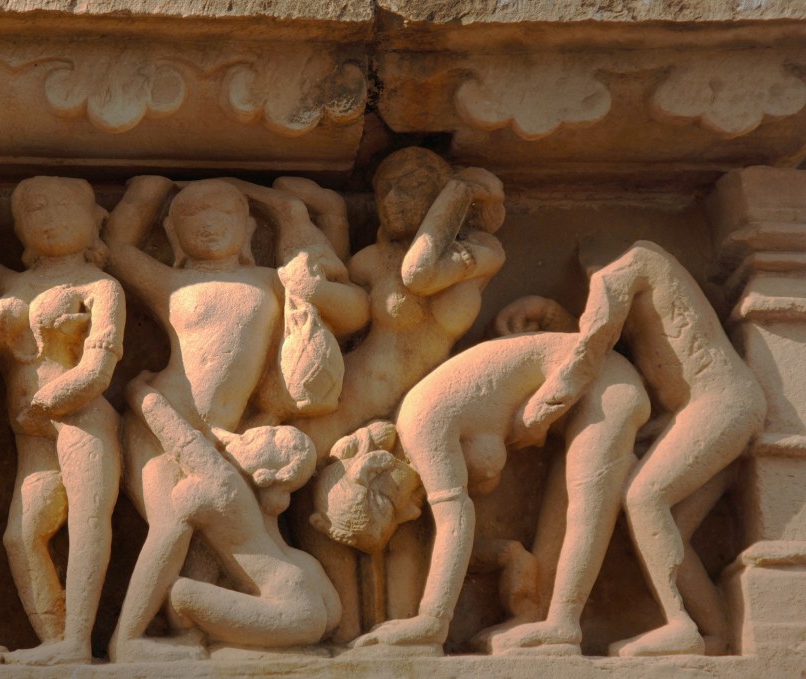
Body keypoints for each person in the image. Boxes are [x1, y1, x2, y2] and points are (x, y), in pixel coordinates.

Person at [103, 176, 365, 658]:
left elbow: (354, 311)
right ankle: (129, 639)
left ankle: (197, 631)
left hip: (232, 435)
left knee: (217, 539)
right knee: (172, 525)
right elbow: (117, 250)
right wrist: (146, 192)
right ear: (171, 230)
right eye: (191, 215)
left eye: (223, 212)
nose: (208, 223)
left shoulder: (271, 280)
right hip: (159, 422)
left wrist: (308, 279)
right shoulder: (173, 283)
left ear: (248, 228)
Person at [283, 147, 507, 640]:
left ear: (443, 192)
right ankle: (339, 634)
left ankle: (403, 635)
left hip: (426, 408)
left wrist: (458, 195)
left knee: (410, 516)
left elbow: (419, 274)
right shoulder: (368, 261)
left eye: (411, 186)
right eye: (384, 190)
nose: (392, 200)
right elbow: (343, 323)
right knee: (323, 505)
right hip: (354, 401)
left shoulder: (483, 251)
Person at [518, 238, 766, 656]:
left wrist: (539, 411)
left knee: (644, 498)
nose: (590, 286)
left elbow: (593, 343)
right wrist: (548, 313)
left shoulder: (626, 268)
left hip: (718, 405)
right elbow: (604, 343)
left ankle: (679, 625)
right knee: (670, 527)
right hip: (703, 411)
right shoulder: (653, 273)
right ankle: (715, 632)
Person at [345, 310, 650, 649]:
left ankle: (563, 625)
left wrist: (432, 621)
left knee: (586, 507)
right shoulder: (418, 435)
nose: (410, 514)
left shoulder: (420, 428)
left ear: (377, 470)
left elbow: (455, 522)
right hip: (583, 397)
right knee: (562, 512)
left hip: (606, 383)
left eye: (390, 509)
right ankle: (540, 616)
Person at [0, 176, 125, 665]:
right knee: (22, 536)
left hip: (80, 418)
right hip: (31, 431)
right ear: (18, 228)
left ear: (94, 219)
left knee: (86, 522)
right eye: (36, 211)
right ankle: (54, 638)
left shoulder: (100, 286)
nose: (51, 219)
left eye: (63, 207)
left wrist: (46, 403)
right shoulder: (12, 284)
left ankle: (77, 640)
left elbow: (98, 369)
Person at [119, 376, 340, 650]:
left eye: (273, 438)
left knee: (180, 594)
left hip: (291, 609)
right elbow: (332, 617)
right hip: (307, 595)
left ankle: (131, 641)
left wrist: (136, 390)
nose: (265, 431)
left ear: (266, 473)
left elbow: (180, 439)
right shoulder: (262, 510)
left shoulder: (227, 485)